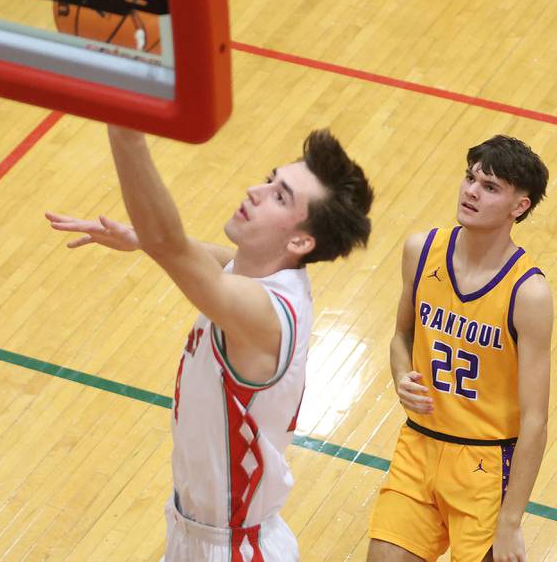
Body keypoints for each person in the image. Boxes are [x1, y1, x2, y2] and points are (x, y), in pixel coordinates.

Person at [47, 125, 373, 561]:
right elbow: (214, 257)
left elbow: (173, 245)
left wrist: (127, 135)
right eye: (270, 179)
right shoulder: (269, 274)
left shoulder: (260, 314)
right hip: (200, 534)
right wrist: (144, 240)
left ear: (300, 240)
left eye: (280, 196)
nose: (256, 190)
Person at [368, 135, 552, 562]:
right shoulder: (421, 250)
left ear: (518, 207)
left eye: (490, 187)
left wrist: (510, 522)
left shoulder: (530, 295)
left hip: (486, 468)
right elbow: (402, 337)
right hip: (419, 445)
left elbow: (536, 421)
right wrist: (400, 376)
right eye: (470, 178)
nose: (471, 191)